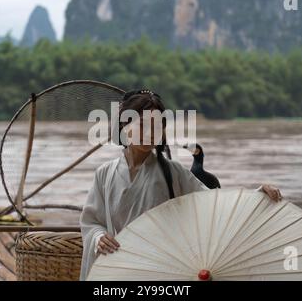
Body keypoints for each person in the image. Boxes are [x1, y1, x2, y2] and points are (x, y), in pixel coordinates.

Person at [79, 90, 282, 280]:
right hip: (119, 267)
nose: (150, 132)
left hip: (160, 269)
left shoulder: (173, 172)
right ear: (124, 125)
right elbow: (91, 221)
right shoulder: (104, 174)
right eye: (142, 125)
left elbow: (214, 205)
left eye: (157, 126)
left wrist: (256, 196)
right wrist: (98, 237)